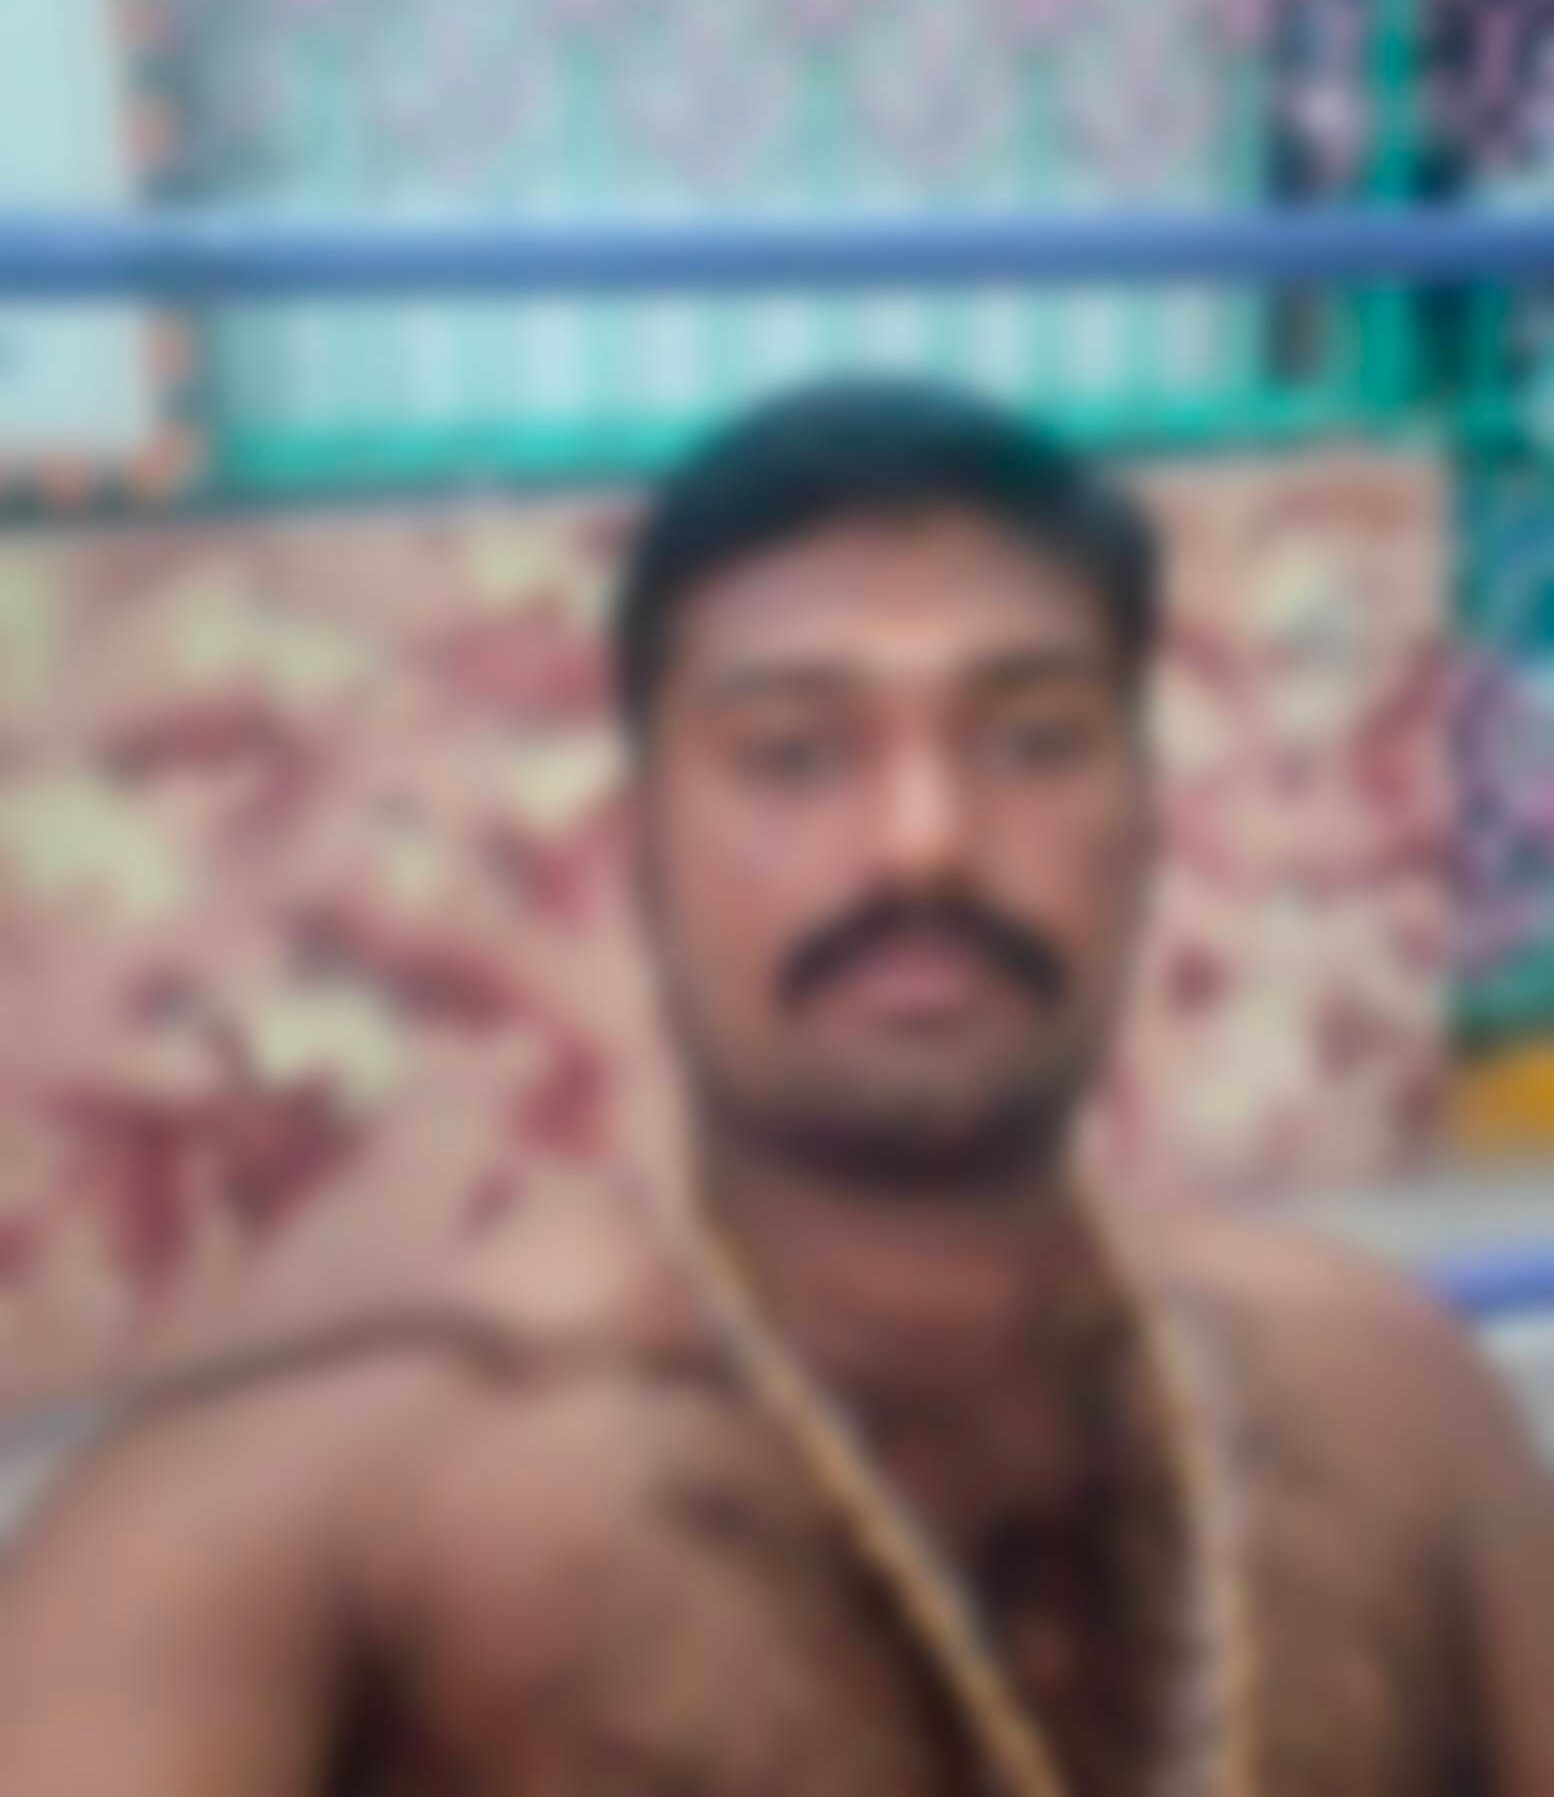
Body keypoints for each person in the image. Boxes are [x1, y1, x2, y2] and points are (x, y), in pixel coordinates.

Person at [0, 378, 1549, 1797]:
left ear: (1149, 820)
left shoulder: (1399, 1410)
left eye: (1031, 740)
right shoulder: (275, 1527)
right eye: (794, 755)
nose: (923, 840)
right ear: (636, 849)